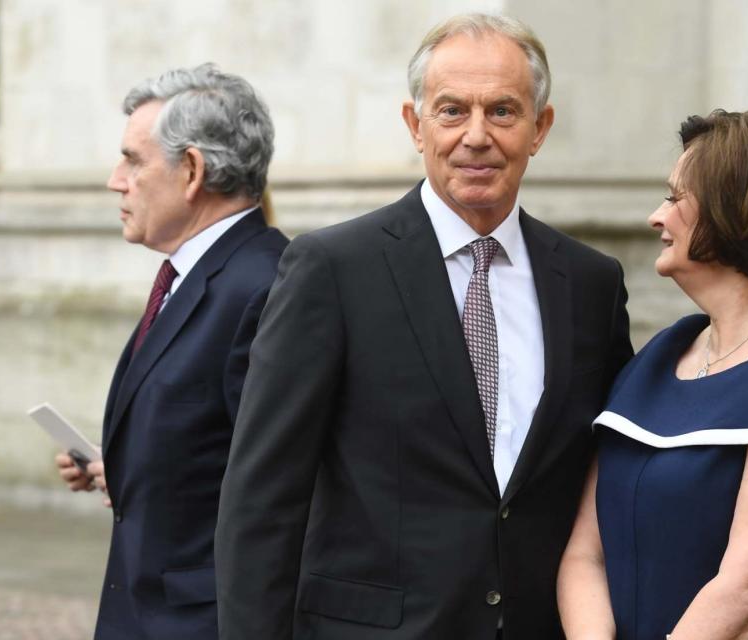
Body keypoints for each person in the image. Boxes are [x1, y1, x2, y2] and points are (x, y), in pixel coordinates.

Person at [215, 13, 632, 640]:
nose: (476, 135)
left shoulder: (591, 284)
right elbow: (262, 500)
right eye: (451, 111)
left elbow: (605, 486)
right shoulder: (333, 269)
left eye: (503, 111)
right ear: (415, 124)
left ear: (540, 128)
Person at [557, 109, 748, 639]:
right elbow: (585, 555)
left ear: (739, 206)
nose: (655, 218)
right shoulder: (661, 355)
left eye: (674, 198)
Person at [53, 64, 288, 640]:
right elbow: (212, 446)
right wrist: (125, 469)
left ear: (191, 171)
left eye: (133, 161)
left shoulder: (266, 286)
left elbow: (277, 489)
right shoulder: (198, 272)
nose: (116, 180)